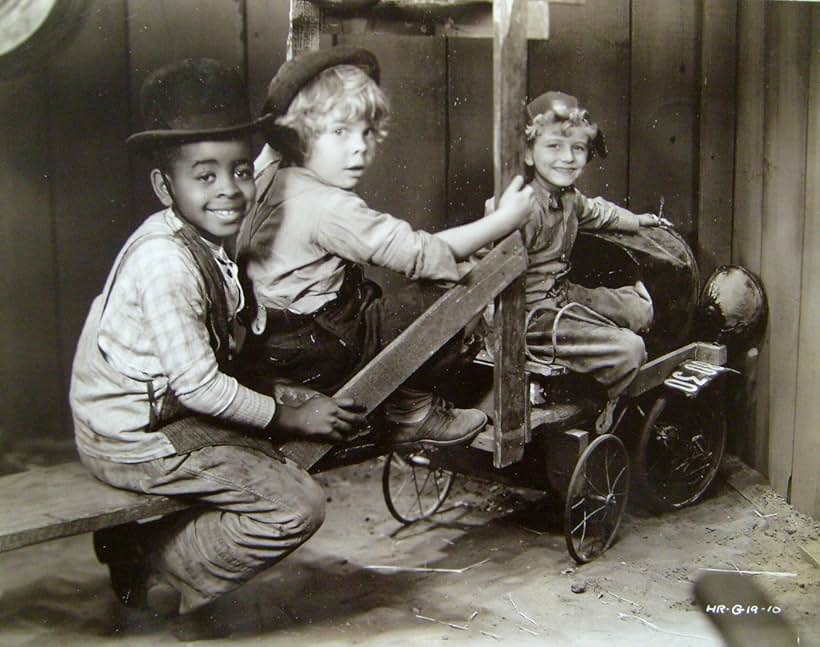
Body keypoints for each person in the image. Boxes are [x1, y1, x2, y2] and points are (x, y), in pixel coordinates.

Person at [69, 58, 366, 640]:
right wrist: (286, 412)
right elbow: (199, 387)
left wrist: (276, 393)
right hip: (131, 434)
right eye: (204, 176)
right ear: (165, 186)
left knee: (282, 450)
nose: (228, 189)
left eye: (239, 171)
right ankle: (152, 560)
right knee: (295, 505)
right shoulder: (164, 262)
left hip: (161, 412)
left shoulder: (204, 241)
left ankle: (146, 544)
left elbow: (211, 360)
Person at [236, 47, 534, 448]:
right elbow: (421, 254)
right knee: (456, 289)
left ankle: (307, 387)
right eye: (340, 132)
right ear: (297, 134)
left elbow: (273, 142)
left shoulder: (266, 172)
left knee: (371, 299)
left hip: (269, 347)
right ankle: (412, 412)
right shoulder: (329, 206)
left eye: (365, 132)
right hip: (321, 350)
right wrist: (503, 221)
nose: (359, 147)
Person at [508, 90, 668, 432]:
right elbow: (489, 269)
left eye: (577, 148)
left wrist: (638, 220)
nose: (567, 158)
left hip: (561, 296)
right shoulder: (523, 208)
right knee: (630, 350)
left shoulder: (568, 199)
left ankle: (606, 355)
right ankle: (606, 405)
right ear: (529, 152)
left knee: (640, 310)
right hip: (528, 319)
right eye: (554, 146)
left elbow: (599, 213)